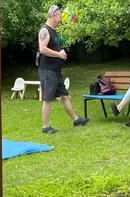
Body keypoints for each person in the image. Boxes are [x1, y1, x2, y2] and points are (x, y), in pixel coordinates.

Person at [38, 5, 88, 133]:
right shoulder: (45, 30)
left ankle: (76, 120)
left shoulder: (53, 31)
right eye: (59, 17)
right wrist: (58, 54)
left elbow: (53, 49)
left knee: (65, 95)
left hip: (56, 71)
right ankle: (45, 127)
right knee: (48, 99)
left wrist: (61, 54)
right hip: (47, 70)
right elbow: (42, 49)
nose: (60, 20)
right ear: (53, 15)